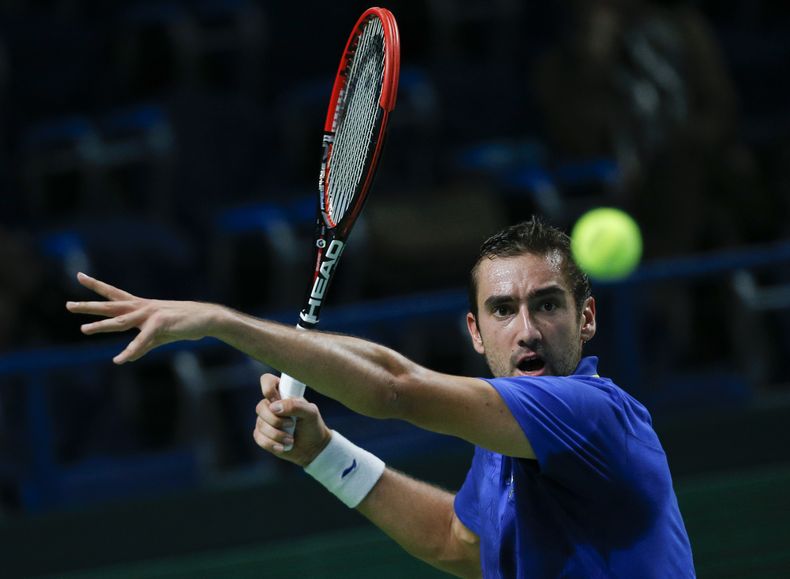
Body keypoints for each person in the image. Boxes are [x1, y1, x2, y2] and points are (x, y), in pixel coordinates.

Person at [66, 217, 695, 578]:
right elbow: (457, 539)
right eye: (503, 310)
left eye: (548, 305)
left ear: (586, 320)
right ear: (475, 333)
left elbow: (395, 388)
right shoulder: (504, 446)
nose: (526, 329)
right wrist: (322, 453)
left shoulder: (591, 415)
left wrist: (221, 323)